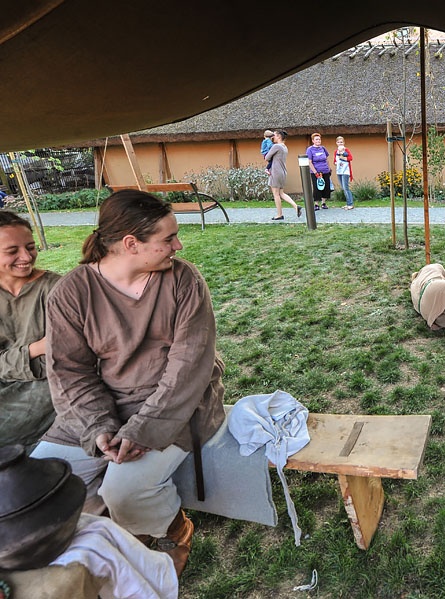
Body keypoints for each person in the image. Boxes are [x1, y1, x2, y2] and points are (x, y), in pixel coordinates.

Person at [31, 190, 226, 576]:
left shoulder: (184, 281)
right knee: (41, 487)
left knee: (124, 490)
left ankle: (173, 530)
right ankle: (109, 540)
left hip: (175, 407)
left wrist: (143, 431)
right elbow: (69, 372)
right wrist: (98, 427)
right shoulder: (71, 293)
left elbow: (188, 367)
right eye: (168, 239)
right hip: (102, 405)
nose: (178, 245)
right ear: (130, 244)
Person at [0, 211, 60, 450]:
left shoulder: (57, 289)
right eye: (12, 251)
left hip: (47, 386)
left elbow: (65, 357)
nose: (26, 256)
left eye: (30, 247)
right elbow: (47, 348)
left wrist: (10, 360)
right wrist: (36, 349)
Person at [265, 130, 300, 220]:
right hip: (283, 171)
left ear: (279, 136)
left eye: (275, 135)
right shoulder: (284, 147)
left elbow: (267, 157)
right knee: (281, 193)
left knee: (276, 194)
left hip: (276, 172)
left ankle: (279, 214)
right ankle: (296, 206)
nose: (273, 137)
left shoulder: (276, 146)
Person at [306, 132, 332, 210]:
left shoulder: (323, 148)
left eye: (319, 139)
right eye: (316, 139)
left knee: (326, 187)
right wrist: (315, 172)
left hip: (325, 170)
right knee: (317, 187)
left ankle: (323, 203)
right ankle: (316, 204)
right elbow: (309, 161)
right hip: (316, 171)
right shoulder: (310, 149)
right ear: (313, 141)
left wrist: (329, 168)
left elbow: (327, 159)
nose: (318, 141)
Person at [334, 136, 354, 210]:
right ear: (336, 143)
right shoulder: (336, 152)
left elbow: (350, 158)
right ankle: (348, 203)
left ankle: (350, 204)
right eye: (338, 142)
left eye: (341, 142)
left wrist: (342, 158)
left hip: (345, 171)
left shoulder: (346, 150)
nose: (340, 143)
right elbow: (335, 161)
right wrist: (336, 163)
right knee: (343, 188)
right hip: (339, 171)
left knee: (346, 188)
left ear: (344, 142)